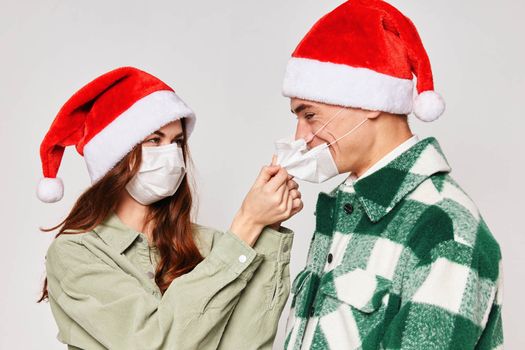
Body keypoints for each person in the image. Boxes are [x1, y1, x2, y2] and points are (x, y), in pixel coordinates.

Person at [275, 0, 503, 349]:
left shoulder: (445, 228)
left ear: (368, 100)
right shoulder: (346, 207)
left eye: (310, 115)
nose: (299, 138)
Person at [36, 66, 302, 349]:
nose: (171, 154)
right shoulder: (75, 253)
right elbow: (153, 343)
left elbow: (247, 343)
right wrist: (246, 225)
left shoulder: (209, 244)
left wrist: (266, 228)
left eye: (177, 141)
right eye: (154, 140)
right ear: (116, 155)